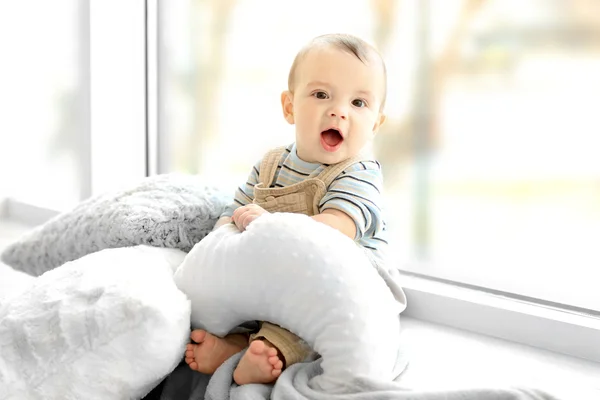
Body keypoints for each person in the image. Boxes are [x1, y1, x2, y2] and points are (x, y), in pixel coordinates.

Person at [183, 33, 407, 385]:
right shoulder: (271, 164)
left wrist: (270, 226)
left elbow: (337, 229)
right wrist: (219, 248)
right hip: (280, 279)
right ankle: (239, 343)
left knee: (308, 324)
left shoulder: (359, 173)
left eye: (359, 103)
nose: (339, 111)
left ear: (376, 123)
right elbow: (234, 212)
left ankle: (269, 352)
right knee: (251, 301)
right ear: (290, 107)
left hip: (344, 284)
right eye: (321, 95)